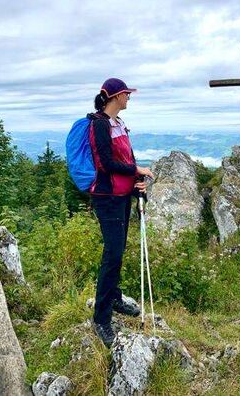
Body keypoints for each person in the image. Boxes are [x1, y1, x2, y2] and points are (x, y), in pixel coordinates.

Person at [88, 77, 153, 347]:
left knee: (118, 250)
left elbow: (127, 158)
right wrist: (136, 171)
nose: (129, 98)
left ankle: (113, 298)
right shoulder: (100, 124)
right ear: (115, 97)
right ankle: (101, 318)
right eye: (127, 94)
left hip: (122, 195)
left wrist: (137, 184)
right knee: (112, 254)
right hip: (107, 197)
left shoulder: (118, 124)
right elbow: (104, 163)